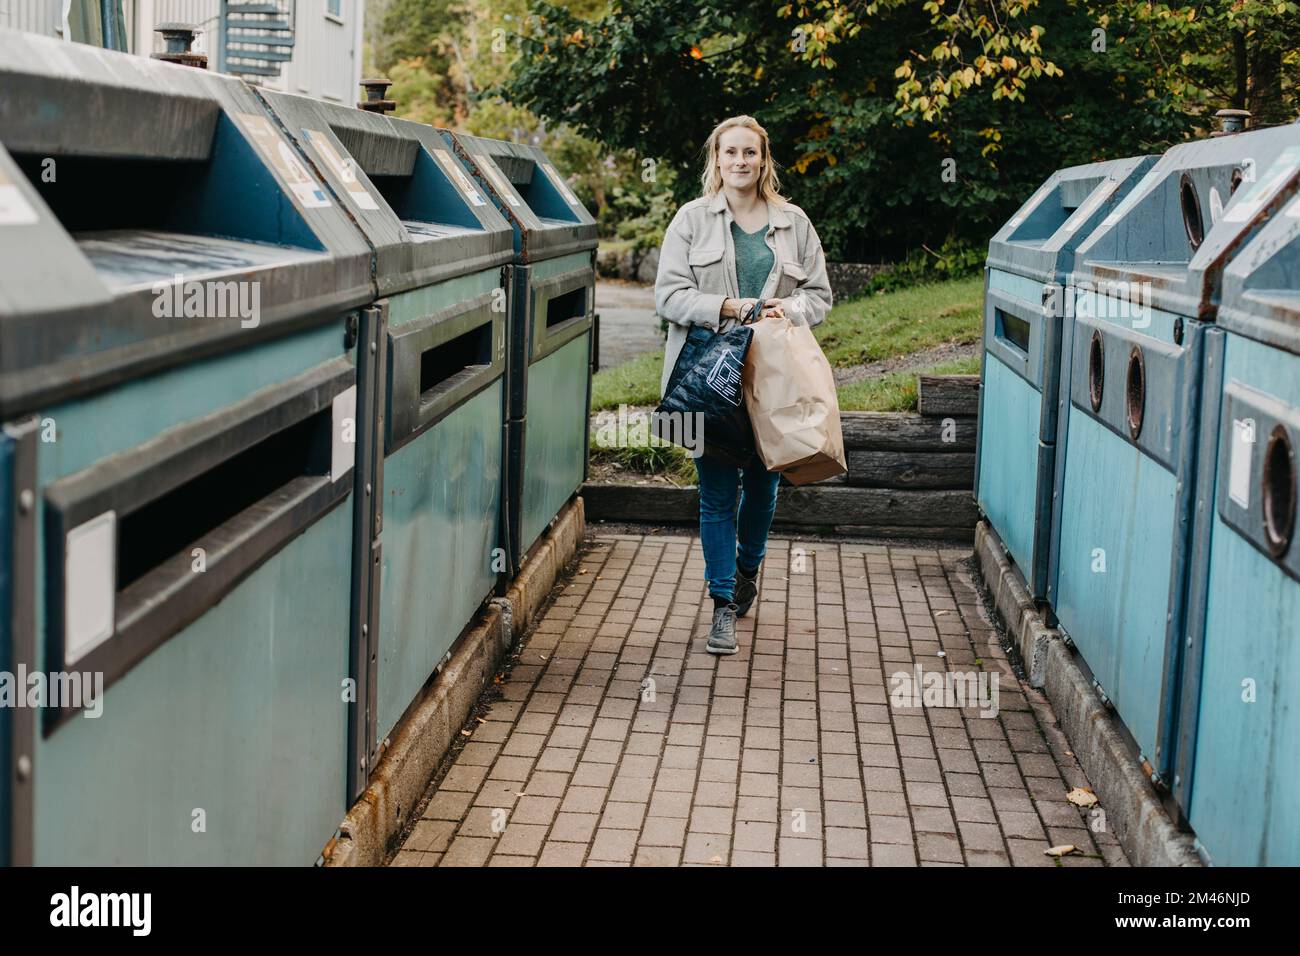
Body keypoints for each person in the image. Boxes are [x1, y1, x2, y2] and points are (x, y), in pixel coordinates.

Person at [654, 115, 833, 655]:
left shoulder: (793, 222)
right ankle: (723, 603)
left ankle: (748, 567)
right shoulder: (690, 221)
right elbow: (668, 296)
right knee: (714, 493)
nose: (740, 162)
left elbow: (819, 296)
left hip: (772, 375)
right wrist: (725, 307)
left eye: (749, 153)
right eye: (730, 152)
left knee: (763, 485)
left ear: (763, 159)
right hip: (708, 374)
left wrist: (787, 307)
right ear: (716, 160)